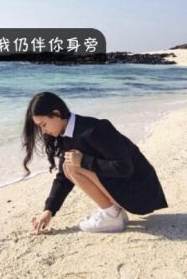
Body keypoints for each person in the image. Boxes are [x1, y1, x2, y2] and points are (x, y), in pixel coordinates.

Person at [22, 92, 168, 234]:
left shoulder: (94, 129)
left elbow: (125, 167)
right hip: (128, 189)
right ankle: (115, 211)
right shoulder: (66, 135)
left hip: (141, 192)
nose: (43, 131)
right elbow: (64, 177)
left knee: (71, 166)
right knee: (69, 166)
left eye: (44, 124)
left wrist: (83, 161)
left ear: (57, 113)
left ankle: (111, 215)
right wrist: (49, 211)